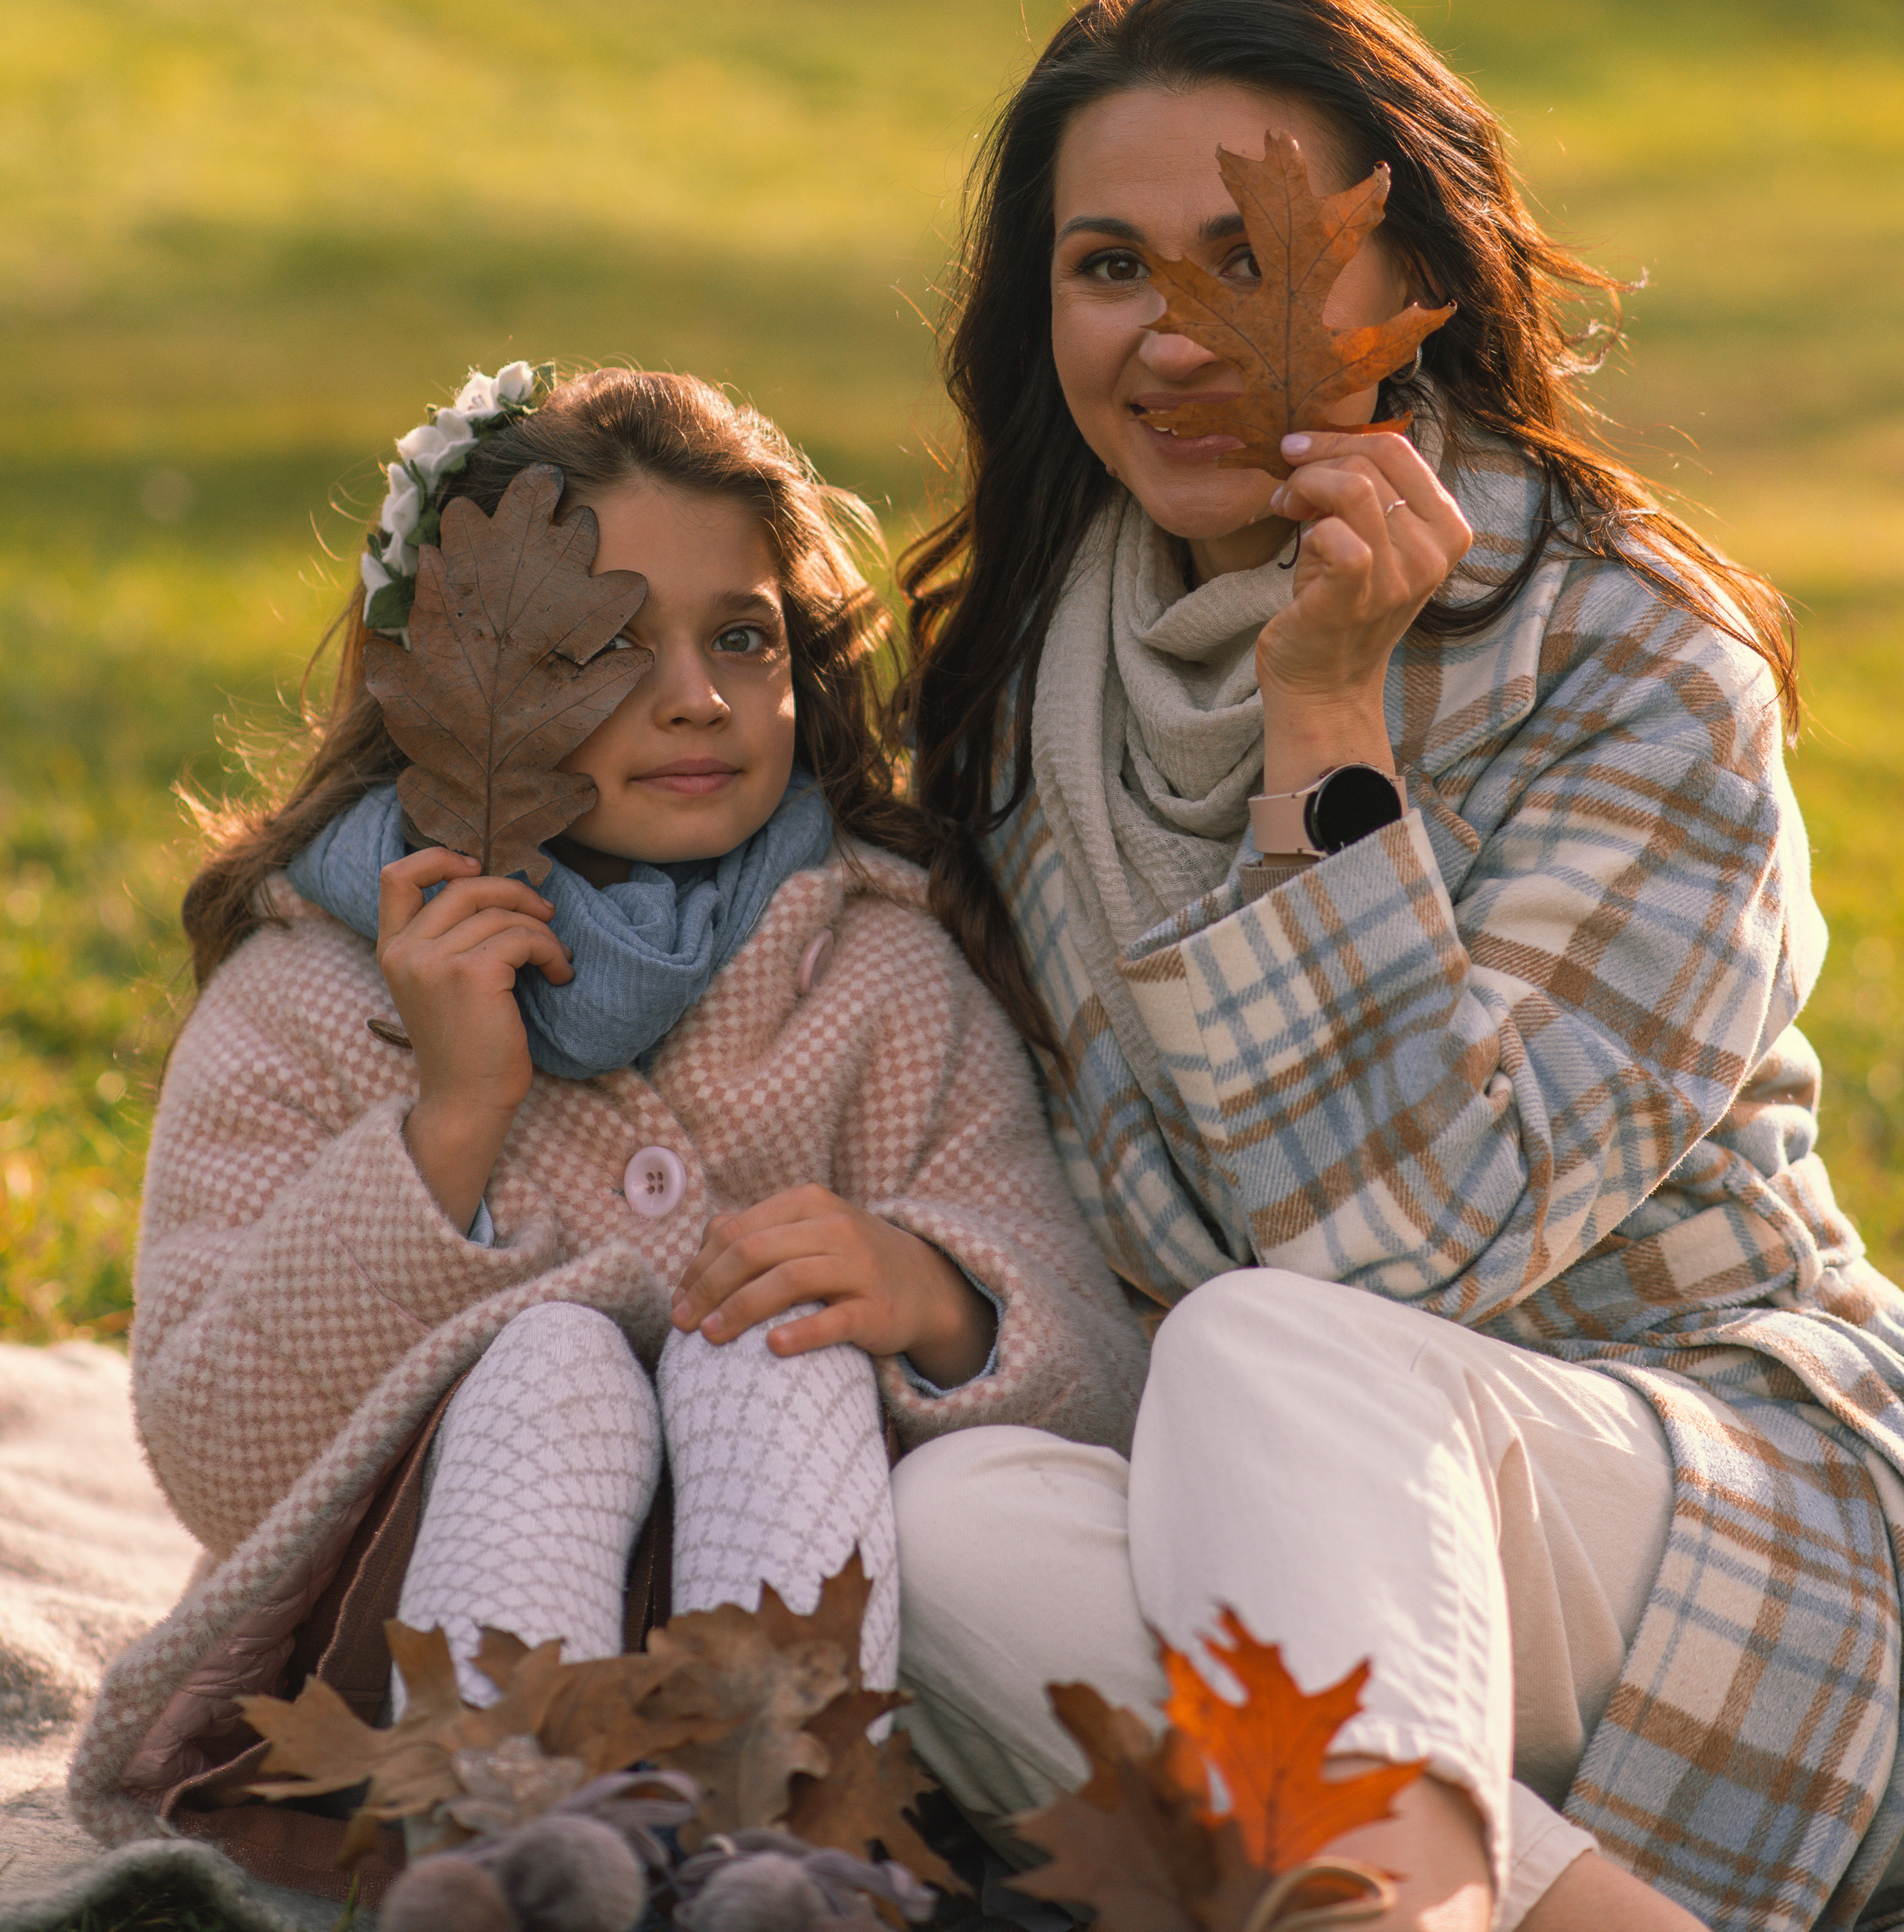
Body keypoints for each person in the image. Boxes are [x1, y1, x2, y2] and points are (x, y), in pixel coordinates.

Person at [889, 0, 1904, 1932]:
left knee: (1277, 1350)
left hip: (1717, 1486)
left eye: (1249, 261)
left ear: (1407, 285)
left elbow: (1413, 1250)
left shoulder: (1633, 660)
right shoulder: (1026, 696)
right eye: (1109, 265)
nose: (1174, 338)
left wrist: (1329, 730)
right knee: (951, 1524)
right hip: (1291, 1544)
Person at [70, 363, 1145, 1870]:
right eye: (601, 647)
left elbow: (1095, 1382)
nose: (694, 696)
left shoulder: (879, 961)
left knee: (771, 1348)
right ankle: (504, 1843)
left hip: (825, 1611)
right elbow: (217, 1457)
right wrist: (450, 1121)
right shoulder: (312, 994)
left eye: (739, 637)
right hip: (407, 1661)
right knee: (556, 1355)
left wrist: (935, 1295)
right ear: (449, 682)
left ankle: (783, 1842)